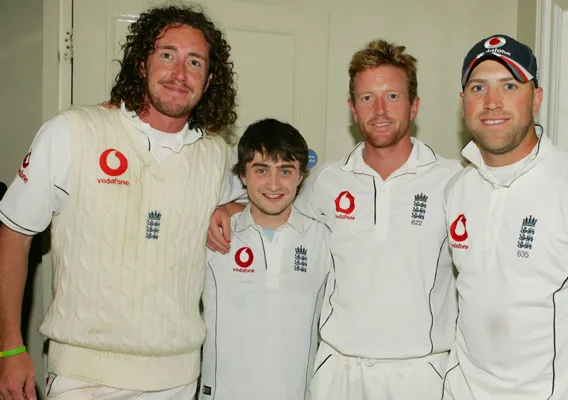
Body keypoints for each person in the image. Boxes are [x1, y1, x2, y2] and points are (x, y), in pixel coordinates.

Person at [0, 5, 237, 399]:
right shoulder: (73, 132)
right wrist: (9, 346)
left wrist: (230, 207)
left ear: (209, 79)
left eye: (194, 62)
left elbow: (261, 201)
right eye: (167, 55)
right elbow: (13, 233)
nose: (180, 73)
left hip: (178, 379)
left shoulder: (216, 156)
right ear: (141, 64)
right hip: (84, 379)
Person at [208, 39, 461, 400]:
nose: (379, 110)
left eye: (392, 96)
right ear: (352, 109)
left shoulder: (454, 181)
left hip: (421, 372)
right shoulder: (327, 180)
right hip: (337, 373)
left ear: (414, 104)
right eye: (366, 98)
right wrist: (231, 207)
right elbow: (276, 202)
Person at [442, 34, 568, 399]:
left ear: (536, 98)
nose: (492, 102)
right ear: (463, 101)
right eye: (478, 87)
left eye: (510, 86)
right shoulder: (457, 189)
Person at [200, 118, 332, 400]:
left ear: (301, 176)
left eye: (285, 170)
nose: (274, 184)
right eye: (261, 170)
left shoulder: (324, 238)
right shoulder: (213, 232)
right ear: (243, 176)